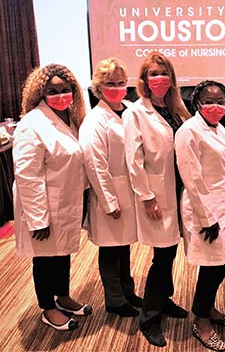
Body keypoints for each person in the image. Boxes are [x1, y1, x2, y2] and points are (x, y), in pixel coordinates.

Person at [13, 64, 92, 331]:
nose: (61, 94)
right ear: (40, 93)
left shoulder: (71, 117)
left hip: (69, 201)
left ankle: (63, 296)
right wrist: (37, 219)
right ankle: (48, 307)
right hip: (44, 205)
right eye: (53, 91)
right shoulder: (32, 124)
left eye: (66, 89)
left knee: (62, 252)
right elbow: (27, 175)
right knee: (46, 257)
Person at [122, 52, 191, 347]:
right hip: (158, 194)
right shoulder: (136, 113)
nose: (159, 79)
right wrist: (147, 197)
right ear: (144, 80)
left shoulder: (178, 109)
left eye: (164, 74)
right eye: (153, 74)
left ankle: (164, 300)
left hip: (180, 190)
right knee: (161, 256)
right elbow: (133, 161)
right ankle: (149, 318)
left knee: (170, 251)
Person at [175, 80, 225, 352]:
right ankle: (201, 321)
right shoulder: (189, 131)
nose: (215, 105)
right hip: (205, 211)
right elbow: (192, 177)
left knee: (219, 263)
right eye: (209, 100)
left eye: (220, 101)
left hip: (221, 206)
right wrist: (207, 217)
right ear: (197, 103)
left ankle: (208, 309)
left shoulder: (220, 128)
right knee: (214, 267)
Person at [79, 58, 142, 318]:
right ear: (98, 87)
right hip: (110, 193)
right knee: (110, 249)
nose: (116, 88)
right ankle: (114, 300)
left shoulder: (129, 109)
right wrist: (109, 202)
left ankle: (127, 291)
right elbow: (95, 165)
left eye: (120, 83)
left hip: (129, 191)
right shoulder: (95, 120)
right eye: (109, 83)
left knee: (123, 245)